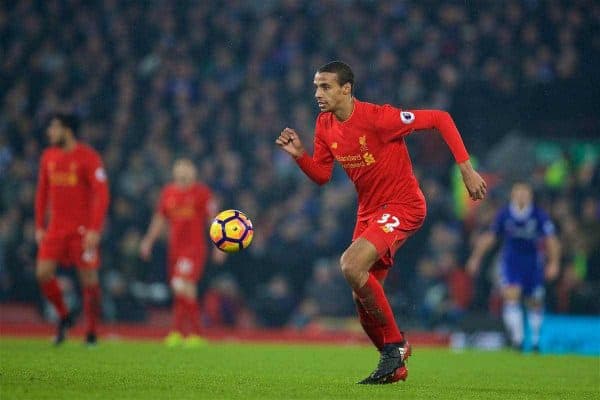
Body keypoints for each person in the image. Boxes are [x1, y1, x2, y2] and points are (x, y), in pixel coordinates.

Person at [276, 61, 486, 384]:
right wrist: (300, 155)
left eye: (326, 86)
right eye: (316, 86)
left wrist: (466, 168)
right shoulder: (324, 125)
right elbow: (321, 175)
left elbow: (440, 118)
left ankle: (396, 346)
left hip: (403, 204)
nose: (318, 93)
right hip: (369, 211)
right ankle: (393, 364)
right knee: (361, 297)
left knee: (349, 264)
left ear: (346, 89)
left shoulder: (378, 118)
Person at [35, 113, 110, 345]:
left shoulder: (88, 157)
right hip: (56, 229)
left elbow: (102, 194)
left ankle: (91, 331)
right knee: (42, 273)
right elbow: (42, 193)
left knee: (89, 279)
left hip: (81, 230)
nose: (50, 132)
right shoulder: (48, 157)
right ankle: (65, 316)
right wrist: (39, 225)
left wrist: (95, 230)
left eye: (54, 127)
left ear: (67, 130)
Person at [467, 182, 560, 351]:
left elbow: (551, 240)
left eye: (525, 192)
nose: (521, 195)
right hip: (512, 261)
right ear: (512, 194)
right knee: (512, 295)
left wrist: (554, 263)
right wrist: (476, 257)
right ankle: (517, 340)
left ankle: (536, 342)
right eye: (518, 192)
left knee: (534, 301)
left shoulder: (539, 215)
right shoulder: (505, 214)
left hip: (533, 261)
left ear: (531, 195)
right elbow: (490, 237)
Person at [140, 158, 222, 347]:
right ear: (175, 172)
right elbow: (160, 218)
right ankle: (180, 332)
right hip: (175, 249)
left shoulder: (202, 193)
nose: (183, 173)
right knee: (181, 289)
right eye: (180, 170)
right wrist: (148, 241)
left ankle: (195, 333)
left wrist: (219, 245)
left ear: (194, 172)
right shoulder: (168, 192)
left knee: (181, 284)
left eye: (187, 169)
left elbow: (213, 221)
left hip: (194, 249)